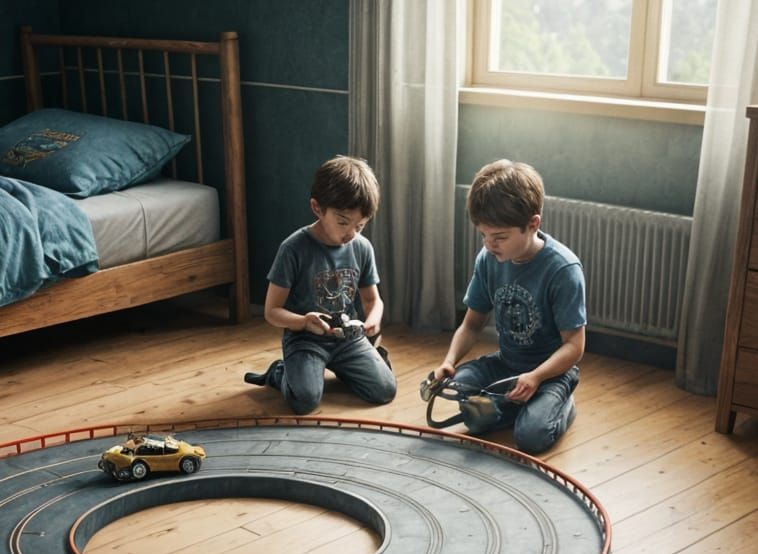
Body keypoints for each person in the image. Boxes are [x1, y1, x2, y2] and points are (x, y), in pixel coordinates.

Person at [429, 160, 585, 453]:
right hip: (508, 363)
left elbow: (574, 347)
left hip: (550, 373)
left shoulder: (564, 269)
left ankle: (559, 404)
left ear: (533, 224)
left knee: (531, 437)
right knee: (460, 391)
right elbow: (472, 324)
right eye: (484, 235)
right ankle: (516, 405)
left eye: (499, 237)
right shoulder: (488, 259)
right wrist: (449, 361)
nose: (489, 245)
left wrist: (537, 377)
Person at [244, 155, 396, 414]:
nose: (351, 233)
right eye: (343, 222)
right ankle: (280, 373)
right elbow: (272, 311)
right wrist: (304, 322)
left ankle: (357, 367)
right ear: (317, 208)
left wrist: (373, 319)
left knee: (384, 390)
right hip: (305, 339)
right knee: (304, 401)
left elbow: (373, 300)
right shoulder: (294, 248)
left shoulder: (361, 247)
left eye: (360, 225)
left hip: (347, 338)